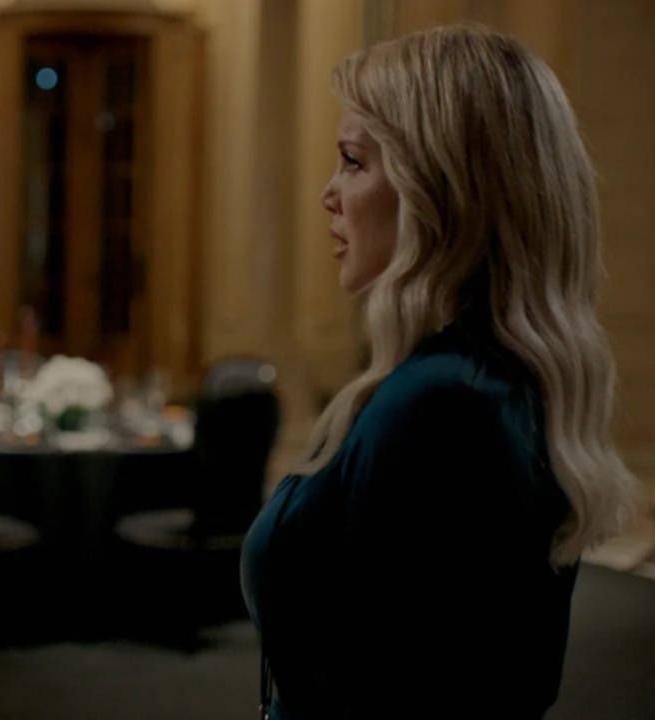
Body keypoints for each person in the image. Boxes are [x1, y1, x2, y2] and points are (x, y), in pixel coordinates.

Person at [240, 25, 638, 720]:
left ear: (441, 189)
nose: (329, 194)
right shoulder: (488, 380)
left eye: (353, 162)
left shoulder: (442, 401)